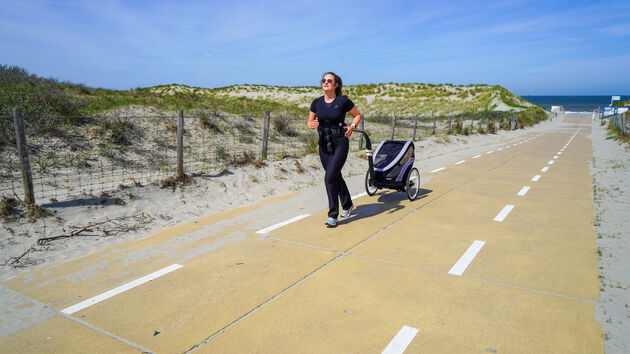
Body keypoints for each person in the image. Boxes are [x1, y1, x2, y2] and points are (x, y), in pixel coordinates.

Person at [307, 72, 362, 227]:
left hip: (340, 142)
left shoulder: (343, 101)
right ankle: (348, 204)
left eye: (329, 80)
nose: (325, 82)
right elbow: (309, 122)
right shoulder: (316, 102)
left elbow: (357, 115)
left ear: (336, 84)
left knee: (329, 177)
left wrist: (352, 126)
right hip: (323, 142)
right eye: (323, 80)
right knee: (334, 176)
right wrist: (311, 125)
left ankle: (333, 215)